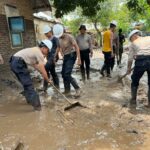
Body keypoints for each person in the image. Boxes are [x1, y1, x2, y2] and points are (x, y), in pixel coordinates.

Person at [10, 40, 52, 111]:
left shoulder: (34, 50)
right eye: (48, 50)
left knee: (26, 84)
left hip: (14, 62)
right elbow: (43, 69)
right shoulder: (39, 53)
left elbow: (35, 65)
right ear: (44, 47)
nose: (47, 52)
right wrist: (47, 80)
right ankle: (37, 107)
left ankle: (30, 100)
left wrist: (41, 72)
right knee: (29, 85)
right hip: (18, 63)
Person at [53, 24, 81, 96]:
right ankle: (67, 90)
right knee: (63, 74)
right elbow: (58, 48)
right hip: (66, 56)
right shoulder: (59, 39)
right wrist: (54, 56)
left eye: (60, 34)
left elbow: (77, 47)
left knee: (67, 74)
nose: (59, 36)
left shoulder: (69, 37)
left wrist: (79, 59)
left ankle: (77, 89)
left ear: (63, 31)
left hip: (72, 55)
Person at [126, 29, 150, 108]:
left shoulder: (133, 43)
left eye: (131, 39)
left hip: (140, 62)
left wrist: (128, 69)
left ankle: (133, 100)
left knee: (134, 80)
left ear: (134, 36)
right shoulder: (148, 38)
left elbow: (130, 59)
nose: (131, 40)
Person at [42, 25, 60, 91]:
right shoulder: (47, 40)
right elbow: (46, 50)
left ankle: (45, 86)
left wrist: (55, 57)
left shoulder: (55, 38)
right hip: (49, 57)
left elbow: (58, 47)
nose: (46, 35)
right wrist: (45, 57)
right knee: (52, 71)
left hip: (53, 56)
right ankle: (57, 84)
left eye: (47, 33)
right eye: (45, 34)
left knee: (45, 69)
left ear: (50, 32)